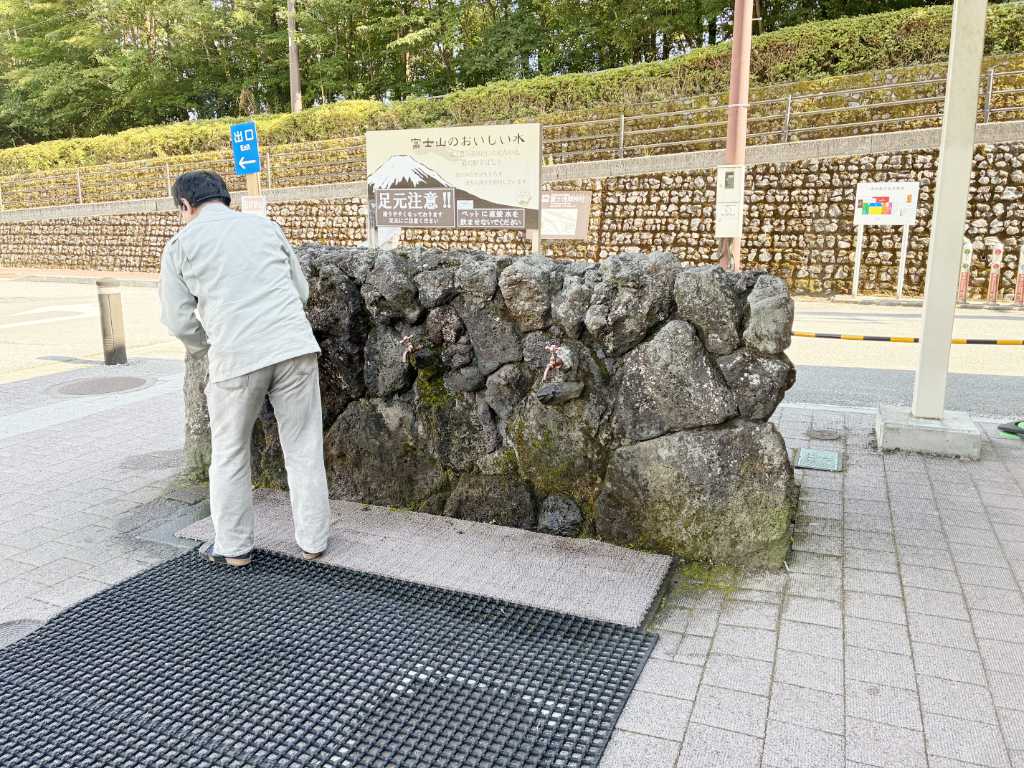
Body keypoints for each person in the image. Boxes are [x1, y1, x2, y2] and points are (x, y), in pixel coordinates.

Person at [159, 170, 329, 567]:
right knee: (304, 446)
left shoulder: (180, 245)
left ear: (186, 206)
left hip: (236, 357)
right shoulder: (265, 227)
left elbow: (178, 320)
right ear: (225, 198)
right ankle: (314, 542)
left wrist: (207, 348)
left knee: (231, 451)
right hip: (294, 347)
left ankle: (234, 548)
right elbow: (300, 292)